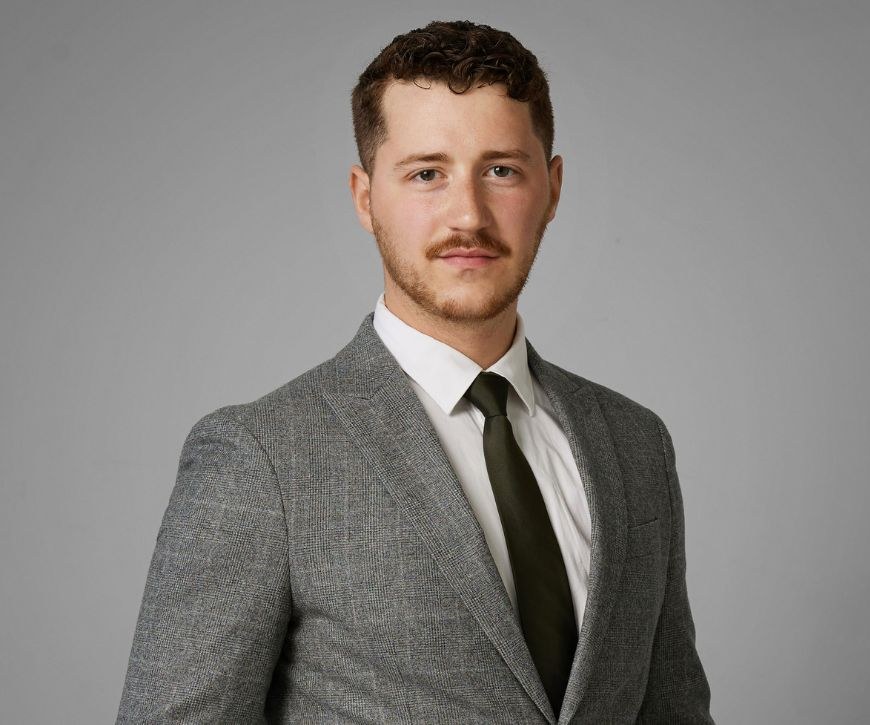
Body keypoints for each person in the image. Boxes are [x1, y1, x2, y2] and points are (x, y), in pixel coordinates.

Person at [116, 20, 713, 724]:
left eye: (501, 170)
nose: (468, 214)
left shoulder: (636, 445)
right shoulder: (262, 459)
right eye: (427, 173)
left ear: (552, 189)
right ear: (365, 197)